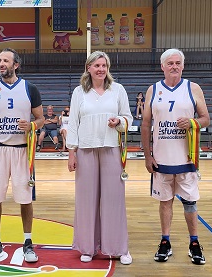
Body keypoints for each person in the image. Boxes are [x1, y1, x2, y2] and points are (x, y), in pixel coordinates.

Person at [141, 49, 210, 265]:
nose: (174, 66)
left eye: (178, 63)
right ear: (162, 66)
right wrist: (147, 155)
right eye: (170, 63)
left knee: (190, 203)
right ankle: (165, 241)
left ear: (183, 65)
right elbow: (145, 125)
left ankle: (195, 243)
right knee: (165, 202)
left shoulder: (193, 88)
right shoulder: (153, 89)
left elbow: (206, 118)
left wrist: (192, 123)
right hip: (161, 159)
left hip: (187, 159)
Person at [0, 48, 44, 264]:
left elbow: (41, 119)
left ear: (16, 65)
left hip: (22, 150)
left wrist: (32, 125)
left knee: (25, 199)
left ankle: (27, 242)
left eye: (5, 60)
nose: (1, 64)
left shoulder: (29, 88)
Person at [66, 51, 133, 264]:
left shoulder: (118, 90)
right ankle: (88, 247)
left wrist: (119, 121)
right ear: (88, 68)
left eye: (104, 65)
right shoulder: (79, 92)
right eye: (96, 65)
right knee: (86, 201)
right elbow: (73, 123)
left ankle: (119, 248)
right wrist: (71, 152)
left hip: (111, 147)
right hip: (85, 149)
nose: (101, 69)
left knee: (114, 199)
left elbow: (128, 118)